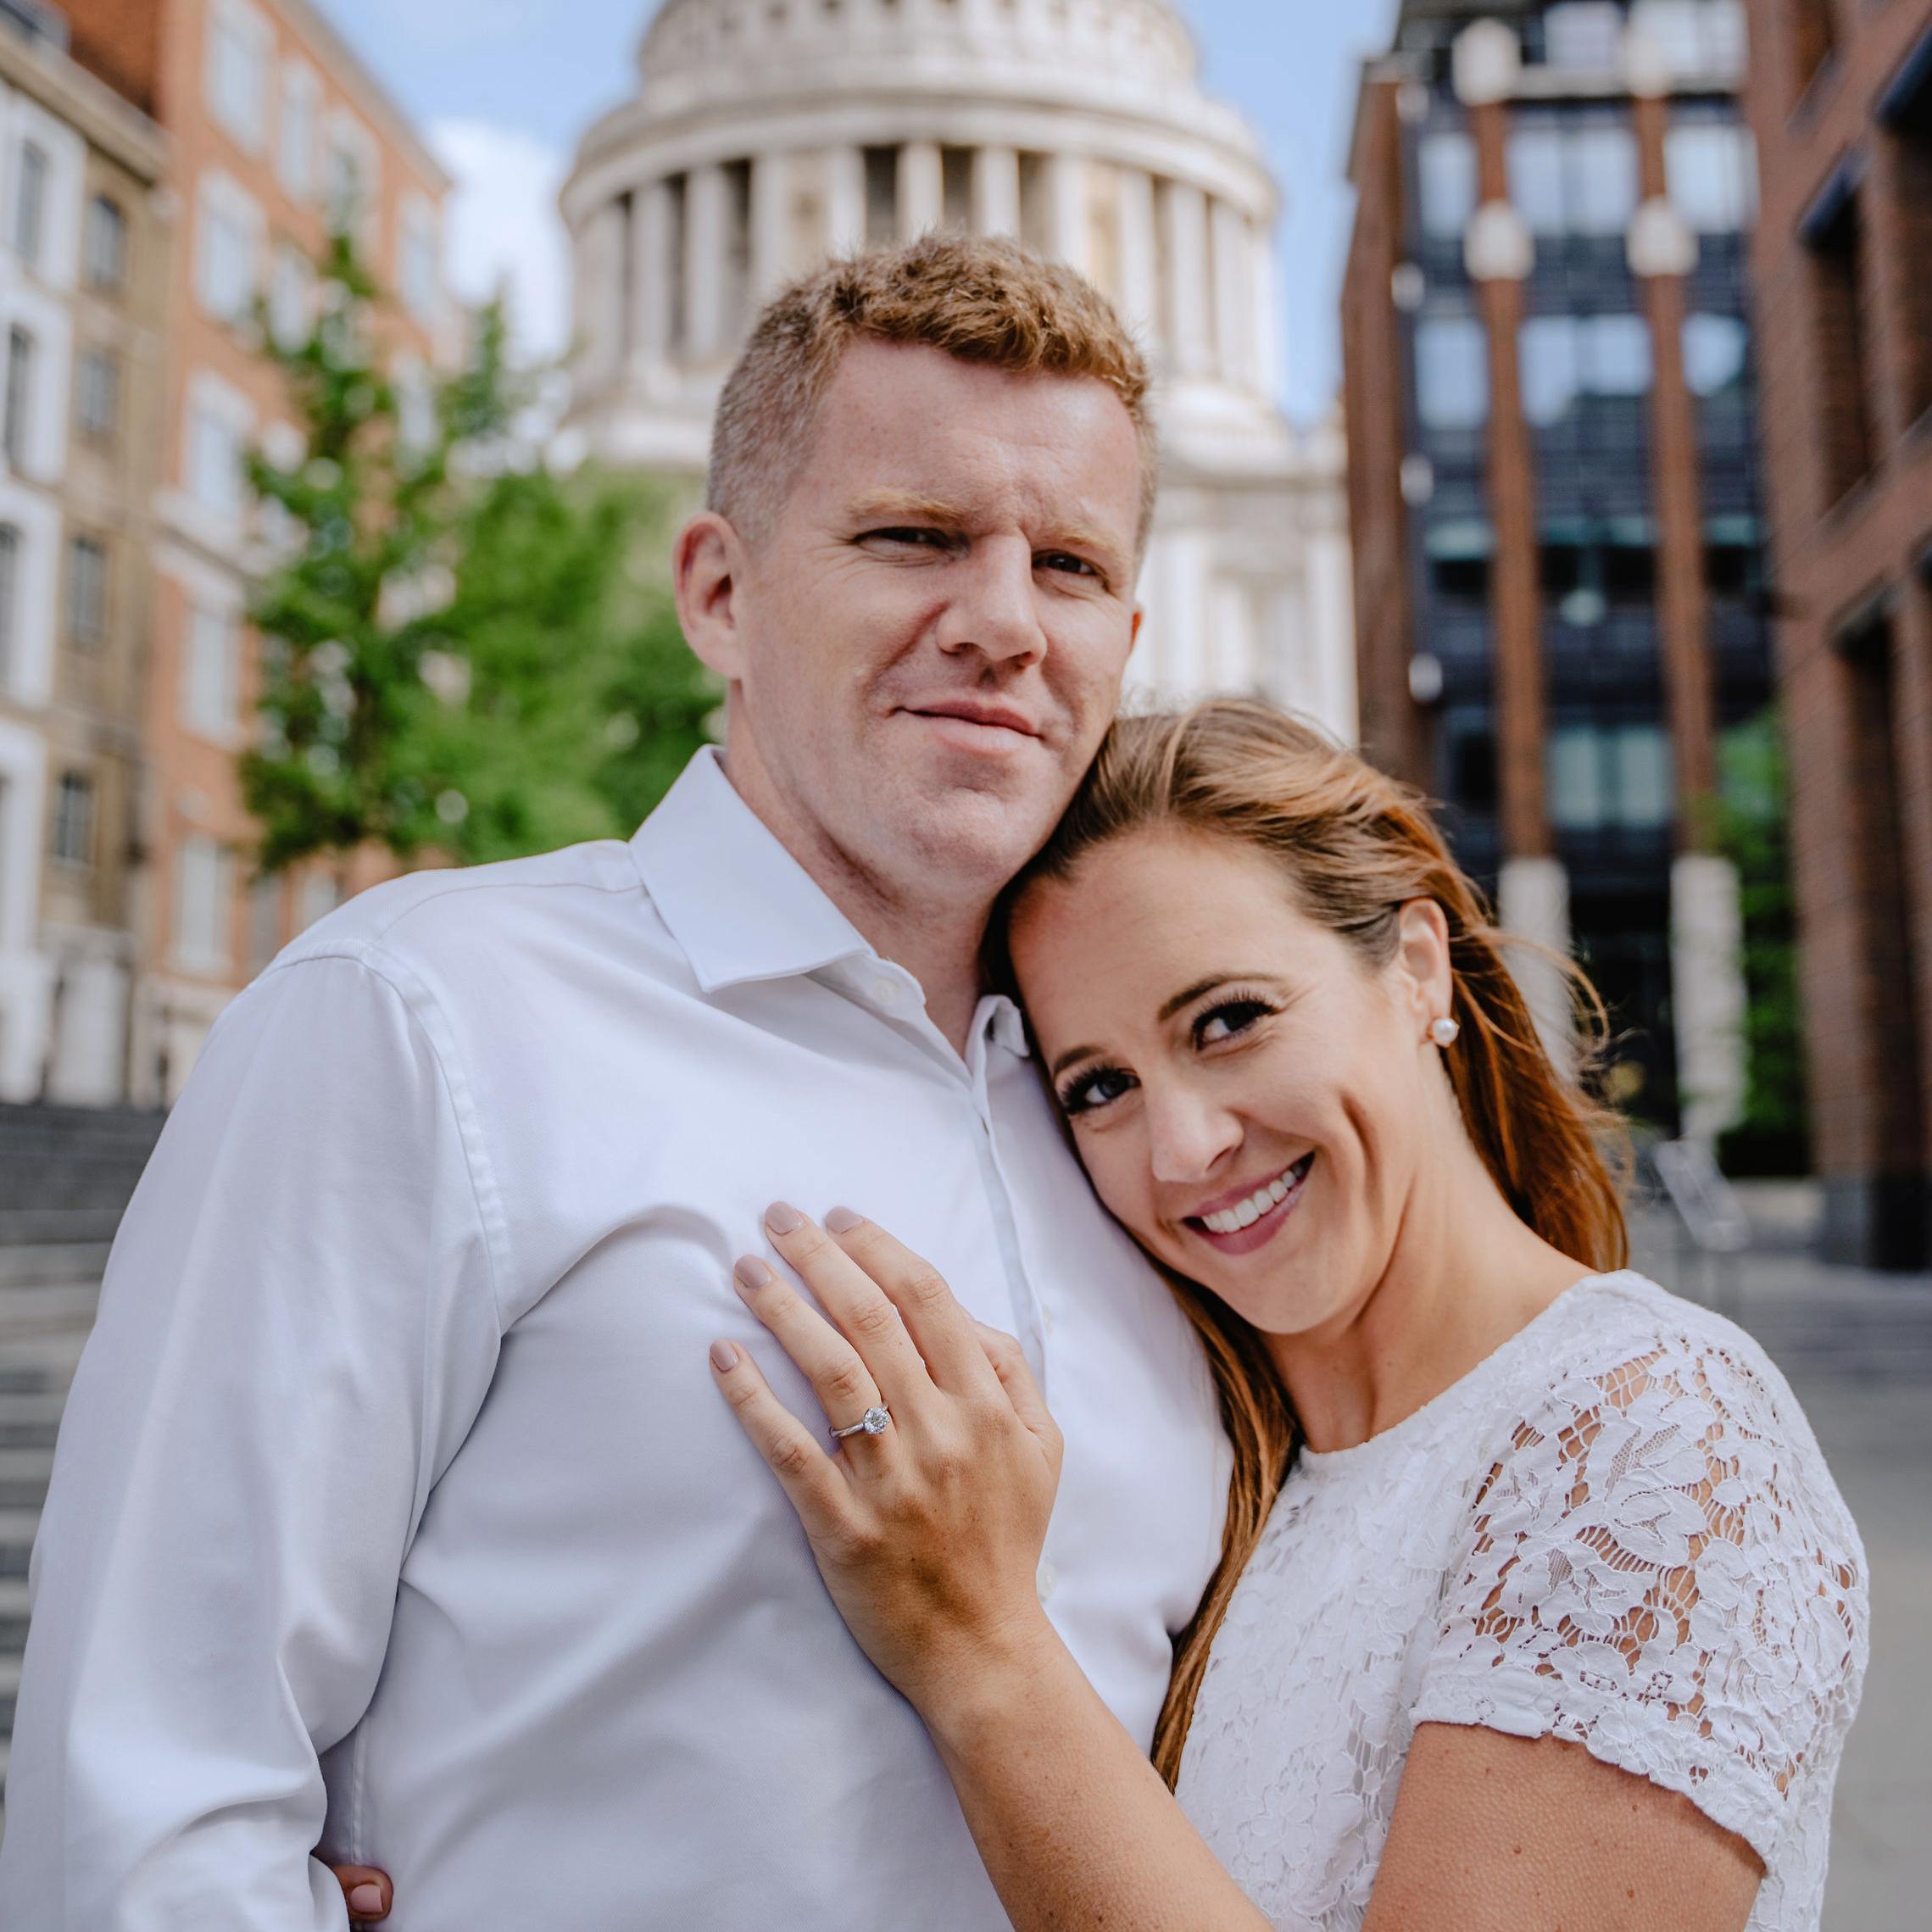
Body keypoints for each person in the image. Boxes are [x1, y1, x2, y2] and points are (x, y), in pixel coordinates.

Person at [0, 237, 1232, 1929]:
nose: (1004, 624)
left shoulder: (1148, 1136)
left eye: (1072, 566)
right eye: (913, 538)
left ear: (1127, 632)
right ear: (719, 592)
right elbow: (149, 1794)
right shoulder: (421, 1017)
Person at [715, 701, 1868, 1932]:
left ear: (1417, 968)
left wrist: (980, 1648)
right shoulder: (1237, 1483)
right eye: (1100, 1087)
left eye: (1229, 1020)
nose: (1184, 1146)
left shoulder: (1654, 1437)